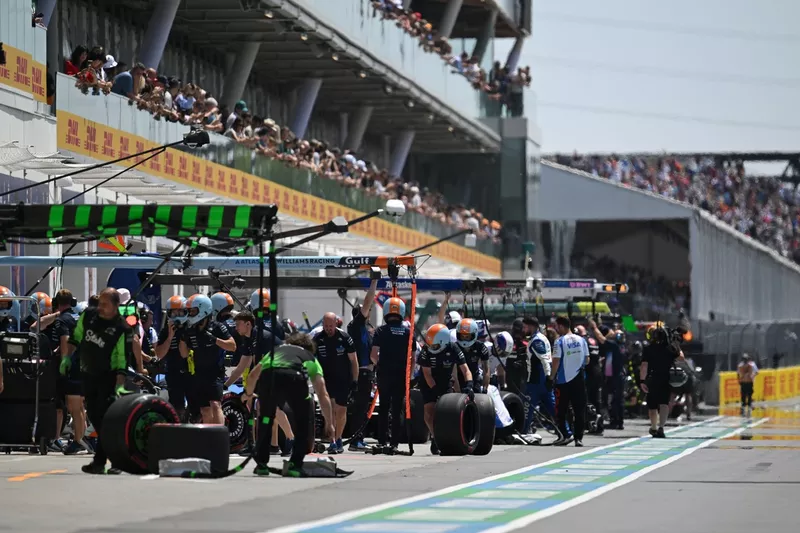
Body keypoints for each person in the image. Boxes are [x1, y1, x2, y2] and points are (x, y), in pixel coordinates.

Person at [242, 332, 335, 477]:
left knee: (266, 419)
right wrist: (329, 423)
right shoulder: (308, 356)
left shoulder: (275, 351)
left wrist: (248, 395)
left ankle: (261, 465)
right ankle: (294, 464)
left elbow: (253, 375)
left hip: (270, 378)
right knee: (303, 421)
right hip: (294, 377)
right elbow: (323, 393)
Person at [67, 288, 133, 475]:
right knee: (96, 418)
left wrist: (120, 384)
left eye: (105, 304)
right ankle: (101, 461)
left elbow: (122, 359)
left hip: (108, 378)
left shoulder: (123, 328)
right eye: (100, 303)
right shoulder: (89, 316)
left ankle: (113, 460)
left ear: (116, 306)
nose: (101, 307)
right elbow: (76, 336)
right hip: (88, 375)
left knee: (105, 420)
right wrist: (66, 357)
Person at [231, 312, 294, 456]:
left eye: (238, 324)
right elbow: (242, 366)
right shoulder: (248, 339)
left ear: (248, 324)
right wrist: (227, 385)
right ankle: (262, 445)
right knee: (258, 407)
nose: (236, 328)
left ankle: (291, 440)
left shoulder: (261, 338)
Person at [179, 294, 236, 425]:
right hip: (198, 373)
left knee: (215, 404)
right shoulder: (191, 329)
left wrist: (214, 339)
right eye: (189, 311)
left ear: (203, 309)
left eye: (193, 311)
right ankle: (209, 437)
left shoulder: (217, 327)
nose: (190, 314)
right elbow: (184, 354)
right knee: (204, 409)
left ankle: (220, 436)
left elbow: (232, 346)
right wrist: (182, 339)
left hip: (215, 372)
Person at [419, 323, 472, 455]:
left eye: (434, 345)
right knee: (429, 413)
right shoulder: (426, 351)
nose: (430, 347)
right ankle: (435, 437)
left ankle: (449, 437)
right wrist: (435, 390)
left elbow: (465, 369)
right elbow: (427, 374)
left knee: (446, 413)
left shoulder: (453, 348)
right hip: (428, 382)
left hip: (446, 381)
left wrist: (469, 384)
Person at [52, 289, 92, 455]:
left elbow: (65, 343)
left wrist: (64, 363)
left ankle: (77, 441)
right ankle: (81, 439)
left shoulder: (62, 320)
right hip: (84, 365)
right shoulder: (78, 317)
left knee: (73, 406)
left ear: (57, 303)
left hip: (73, 368)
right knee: (80, 408)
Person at [312, 312, 358, 454]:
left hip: (343, 379)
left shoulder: (344, 338)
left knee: (341, 410)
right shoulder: (318, 339)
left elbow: (354, 361)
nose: (328, 329)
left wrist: (355, 380)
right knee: (330, 411)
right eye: (325, 326)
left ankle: (338, 438)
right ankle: (332, 441)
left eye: (331, 326)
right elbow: (311, 359)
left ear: (336, 324)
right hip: (326, 380)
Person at [370, 297, 410, 451]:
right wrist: (409, 374)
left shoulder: (380, 331)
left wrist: (379, 365)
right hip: (401, 375)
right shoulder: (408, 331)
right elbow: (412, 357)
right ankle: (395, 443)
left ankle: (382, 440)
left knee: (384, 407)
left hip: (384, 374)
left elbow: (373, 355)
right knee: (397, 408)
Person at [346, 277, 378, 451]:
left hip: (368, 373)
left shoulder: (367, 329)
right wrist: (374, 283)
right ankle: (354, 441)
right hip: (360, 373)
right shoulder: (356, 326)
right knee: (359, 408)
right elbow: (367, 304)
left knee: (364, 407)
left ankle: (359, 438)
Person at [640, 325, 683, 438]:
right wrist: (676, 344)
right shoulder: (670, 348)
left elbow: (644, 366)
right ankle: (661, 427)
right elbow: (681, 358)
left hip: (651, 378)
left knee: (652, 406)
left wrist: (642, 381)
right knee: (664, 404)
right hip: (666, 378)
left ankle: (653, 427)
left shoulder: (648, 349)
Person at [552, 316, 589, 447]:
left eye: (556, 326)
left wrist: (551, 377)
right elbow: (587, 360)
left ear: (561, 326)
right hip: (579, 379)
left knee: (561, 410)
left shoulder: (559, 341)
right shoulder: (581, 340)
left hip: (563, 381)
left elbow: (555, 361)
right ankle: (578, 438)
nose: (556, 329)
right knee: (579, 410)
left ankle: (564, 435)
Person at [155, 295, 190, 419]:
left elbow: (185, 354)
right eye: (173, 313)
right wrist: (170, 337)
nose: (177, 316)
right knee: (176, 407)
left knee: (194, 406)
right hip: (173, 372)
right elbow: (158, 354)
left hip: (191, 372)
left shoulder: (191, 328)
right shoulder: (166, 331)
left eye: (180, 312)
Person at [588, 320, 625, 430]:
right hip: (613, 375)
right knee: (614, 399)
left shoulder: (615, 345)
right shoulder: (619, 346)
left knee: (614, 399)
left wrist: (594, 328)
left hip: (616, 376)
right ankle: (617, 420)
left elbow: (602, 339)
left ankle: (616, 421)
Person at [522, 317, 556, 435]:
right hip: (543, 380)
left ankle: (524, 432)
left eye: (525, 327)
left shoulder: (537, 340)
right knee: (553, 408)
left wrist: (548, 377)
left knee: (526, 406)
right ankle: (566, 432)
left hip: (536, 381)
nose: (523, 329)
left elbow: (545, 360)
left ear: (531, 326)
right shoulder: (541, 338)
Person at [454, 318, 491, 393]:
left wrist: (485, 388)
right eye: (462, 336)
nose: (464, 339)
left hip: (475, 378)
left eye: (467, 336)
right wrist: (457, 392)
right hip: (457, 378)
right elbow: (453, 374)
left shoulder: (481, 347)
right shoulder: (454, 347)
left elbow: (486, 370)